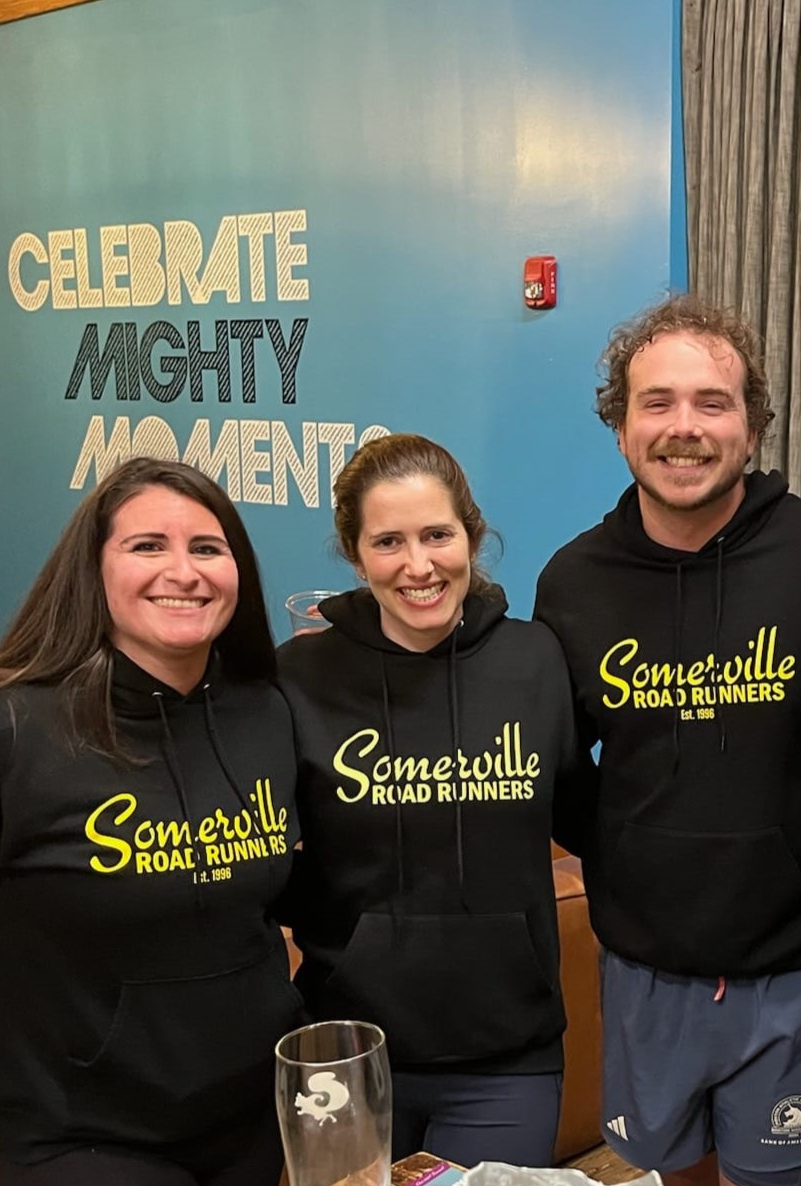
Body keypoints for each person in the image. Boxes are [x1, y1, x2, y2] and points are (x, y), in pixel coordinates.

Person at [534, 294, 801, 1186]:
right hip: (646, 969)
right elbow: (562, 767)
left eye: (712, 404)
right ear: (620, 427)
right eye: (657, 402)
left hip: (796, 970)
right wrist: (628, 866)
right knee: (664, 1178)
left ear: (753, 427)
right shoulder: (574, 581)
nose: (685, 428)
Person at [0, 458, 300, 1186]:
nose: (184, 571)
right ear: (93, 569)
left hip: (254, 1123)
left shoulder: (266, 714)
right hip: (83, 1138)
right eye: (147, 546)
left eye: (208, 548)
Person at [277, 433, 590, 1168]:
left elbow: (587, 817)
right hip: (344, 1054)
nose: (418, 565)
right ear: (355, 555)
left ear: (471, 538)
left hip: (505, 1059)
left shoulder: (533, 660)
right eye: (388, 541)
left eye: (437, 535)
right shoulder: (299, 677)